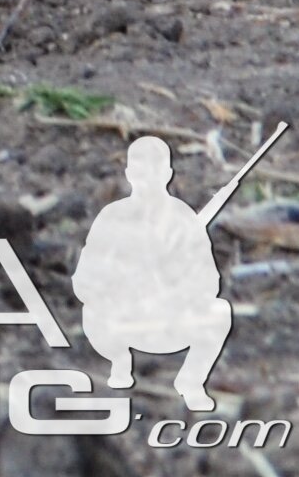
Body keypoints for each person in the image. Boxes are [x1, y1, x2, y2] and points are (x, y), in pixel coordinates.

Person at [73, 132, 249, 409]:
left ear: (167, 173)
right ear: (130, 173)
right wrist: (119, 284)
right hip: (122, 318)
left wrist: (177, 285)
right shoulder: (112, 218)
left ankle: (191, 381)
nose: (147, 177)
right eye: (141, 169)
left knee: (219, 312)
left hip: (168, 318)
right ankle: (119, 365)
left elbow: (209, 283)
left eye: (155, 169)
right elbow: (85, 279)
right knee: (93, 312)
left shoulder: (183, 219)